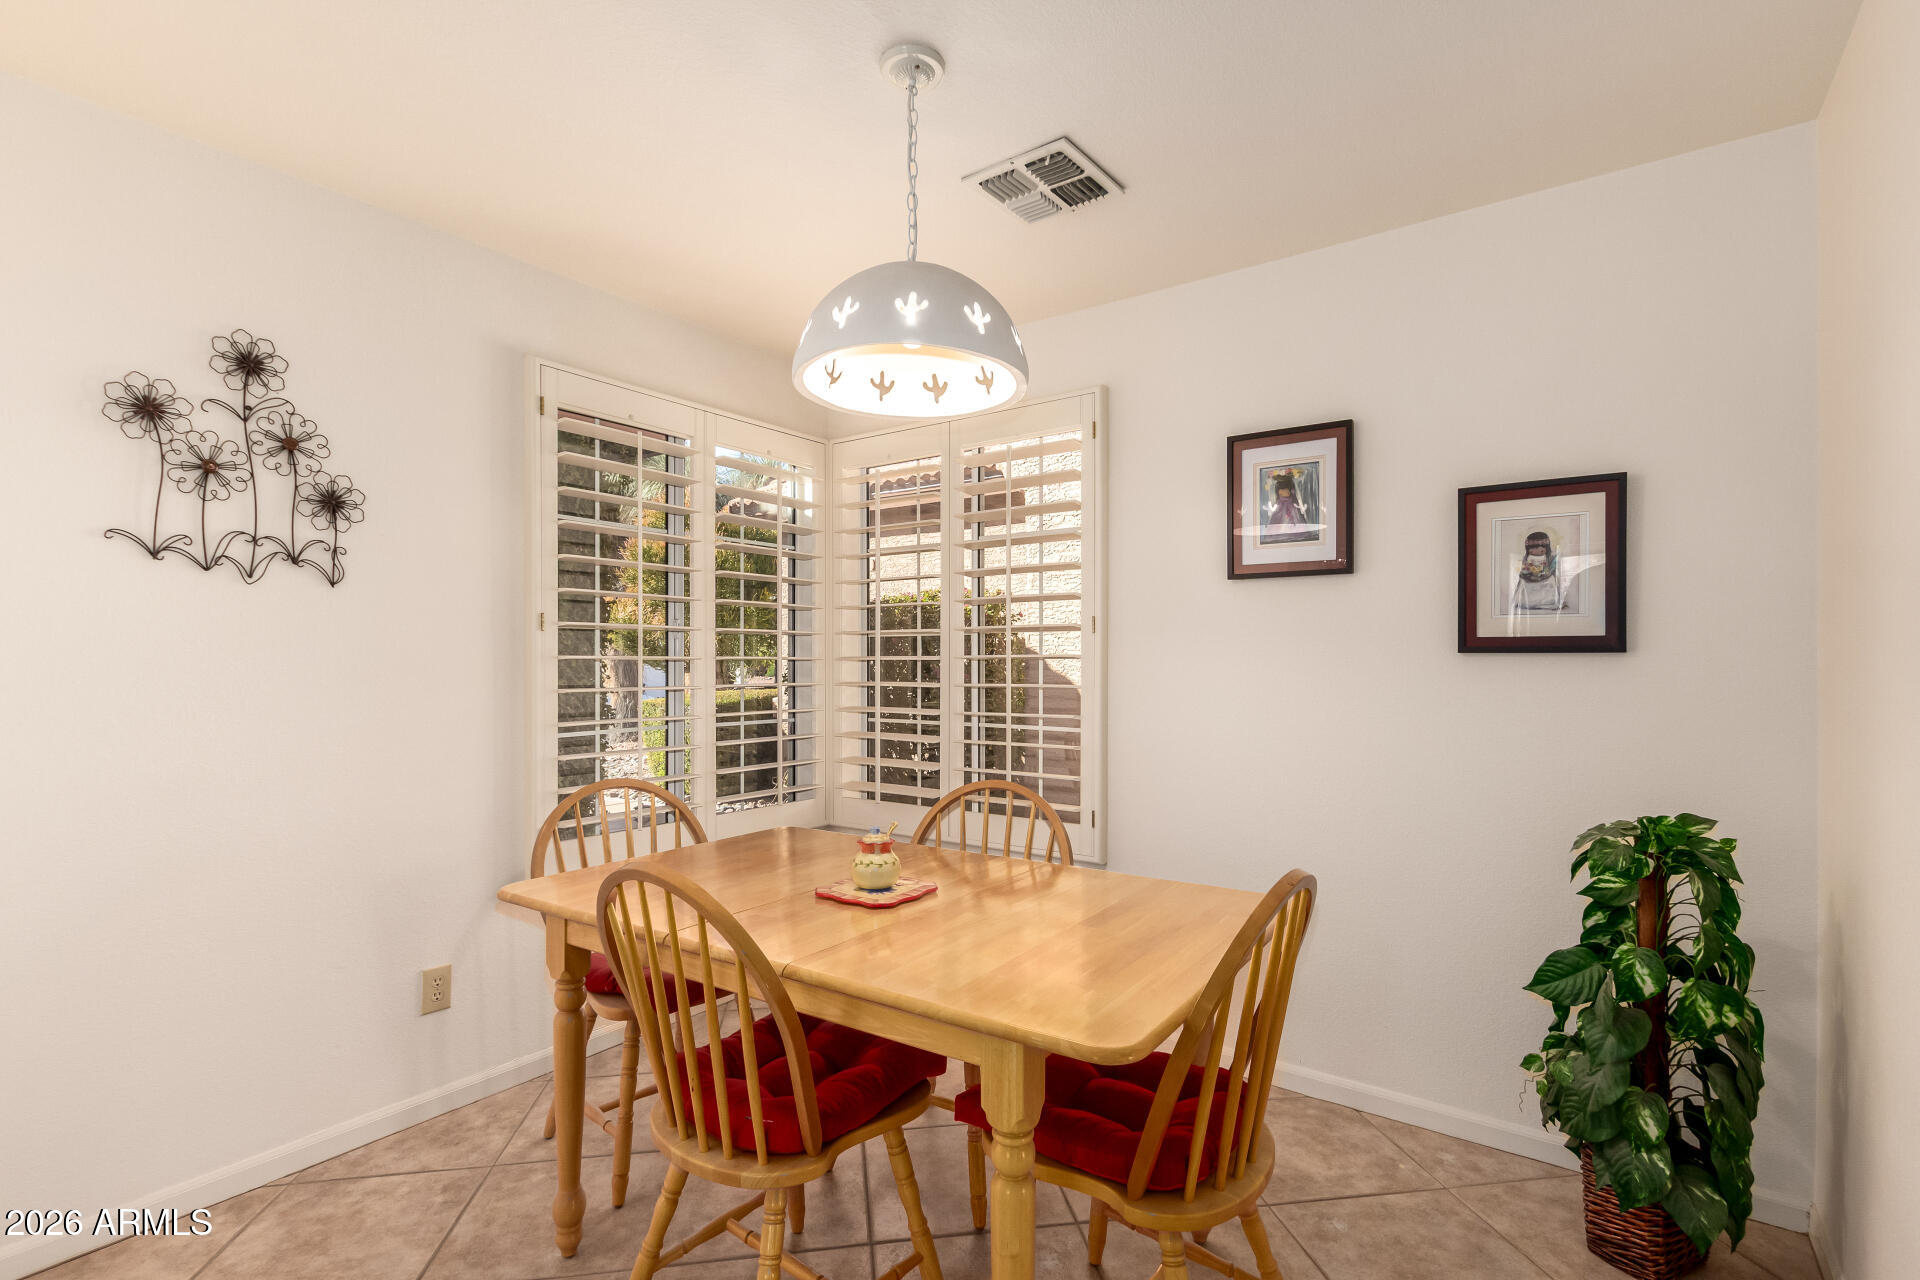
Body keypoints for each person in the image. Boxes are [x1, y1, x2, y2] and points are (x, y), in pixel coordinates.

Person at [1512, 530, 1565, 612]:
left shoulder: (1549, 557)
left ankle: (1548, 602)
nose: (1537, 550)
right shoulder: (1528, 557)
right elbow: (1525, 566)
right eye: (1533, 548)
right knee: (1523, 581)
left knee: (1550, 581)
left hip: (1544, 576)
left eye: (1542, 549)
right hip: (1530, 576)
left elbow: (1548, 567)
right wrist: (1528, 569)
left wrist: (1544, 571)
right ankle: (1525, 602)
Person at [1261, 470, 1311, 543]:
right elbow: (1278, 497)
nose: (1283, 491)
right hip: (1281, 506)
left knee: (1294, 520)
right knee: (1278, 520)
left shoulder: (1290, 486)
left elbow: (1293, 496)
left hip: (1290, 506)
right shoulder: (1278, 487)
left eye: (1285, 490)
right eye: (1281, 490)